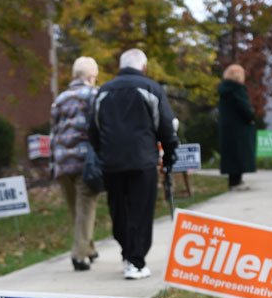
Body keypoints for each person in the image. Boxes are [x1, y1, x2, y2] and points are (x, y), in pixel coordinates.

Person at [88, 48, 179, 280]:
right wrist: (169, 156)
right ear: (144, 67)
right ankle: (136, 260)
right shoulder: (151, 88)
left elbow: (94, 130)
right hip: (143, 160)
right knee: (140, 211)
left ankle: (129, 254)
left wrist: (102, 154)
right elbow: (166, 127)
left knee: (119, 210)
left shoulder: (104, 92)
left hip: (112, 162)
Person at [51, 56, 100, 271]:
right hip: (84, 161)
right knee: (86, 207)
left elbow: (53, 132)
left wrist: (53, 163)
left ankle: (89, 248)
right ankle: (79, 255)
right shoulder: (93, 95)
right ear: (91, 76)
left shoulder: (60, 98)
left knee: (75, 209)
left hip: (62, 160)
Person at [217, 64, 257, 191]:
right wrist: (251, 115)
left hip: (227, 128)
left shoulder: (224, 89)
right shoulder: (237, 89)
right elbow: (244, 108)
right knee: (240, 154)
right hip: (239, 128)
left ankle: (233, 180)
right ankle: (237, 181)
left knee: (231, 155)